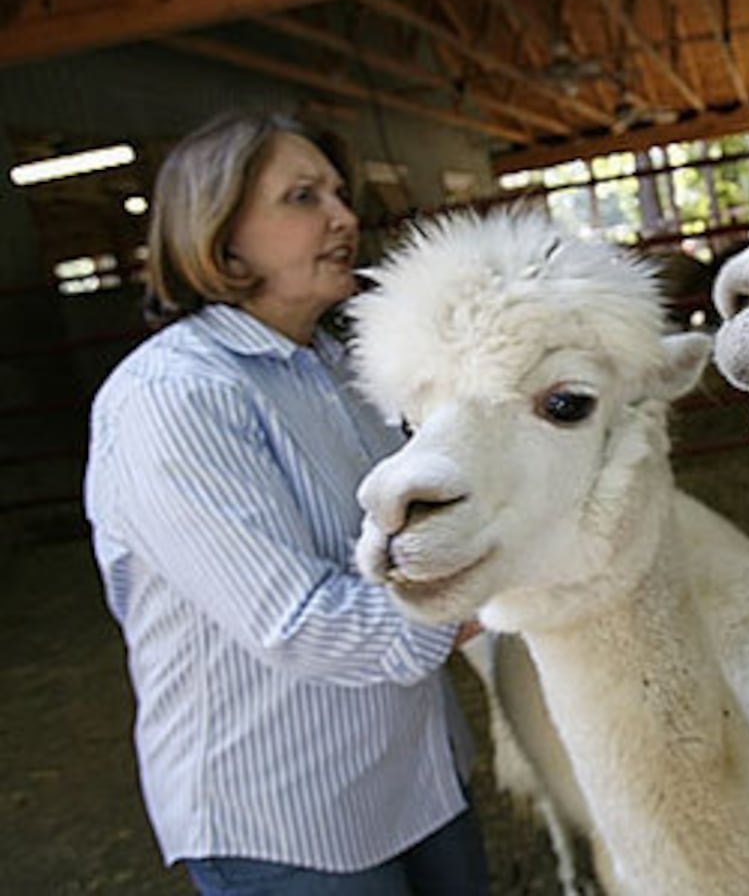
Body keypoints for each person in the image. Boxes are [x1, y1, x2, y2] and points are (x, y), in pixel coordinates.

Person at [83, 110, 490, 895]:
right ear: (219, 233)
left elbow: (428, 533)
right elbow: (298, 621)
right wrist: (501, 591)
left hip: (416, 774)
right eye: (302, 197)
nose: (342, 216)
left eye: (337, 194)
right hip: (285, 813)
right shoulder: (172, 398)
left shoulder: (346, 369)